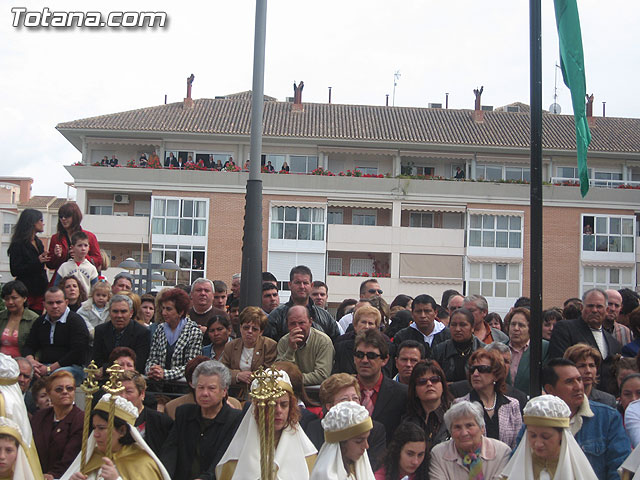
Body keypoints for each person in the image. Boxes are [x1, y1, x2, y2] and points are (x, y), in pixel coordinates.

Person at [216, 368, 317, 479]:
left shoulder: (307, 456)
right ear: (257, 409)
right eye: (271, 405)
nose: (278, 411)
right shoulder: (235, 459)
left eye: (284, 405)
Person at [541, 358, 630, 479]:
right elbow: (521, 462)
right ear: (550, 389)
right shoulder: (537, 420)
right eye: (569, 382)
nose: (578, 387)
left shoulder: (608, 418)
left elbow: (620, 468)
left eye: (579, 380)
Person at [161, 360, 242, 480]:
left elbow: (225, 459)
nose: (205, 393)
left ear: (224, 391)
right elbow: (170, 450)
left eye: (211, 388)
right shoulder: (184, 413)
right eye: (200, 387)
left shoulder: (235, 419)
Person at [61, 394, 170, 480]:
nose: (95, 434)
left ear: (122, 430)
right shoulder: (92, 457)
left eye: (101, 428)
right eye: (94, 428)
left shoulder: (143, 463)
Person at [501, 394, 598, 480]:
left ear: (561, 435)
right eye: (532, 435)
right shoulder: (515, 472)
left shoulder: (577, 472)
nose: (538, 443)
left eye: (546, 437)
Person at [305, 373, 387, 471]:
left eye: (355, 398)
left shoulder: (375, 429)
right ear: (330, 407)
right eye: (344, 399)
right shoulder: (314, 428)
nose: (352, 403)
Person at [549, 288, 622, 394]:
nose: (594, 310)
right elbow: (559, 363)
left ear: (606, 310)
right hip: (573, 394)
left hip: (604, 400)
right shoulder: (566, 329)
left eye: (599, 306)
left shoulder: (614, 343)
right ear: (582, 308)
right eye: (590, 306)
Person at [454, 349, 521, 449]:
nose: (475, 374)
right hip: (472, 462)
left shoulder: (512, 405)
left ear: (496, 375)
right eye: (472, 369)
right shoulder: (459, 405)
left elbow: (517, 445)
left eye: (482, 369)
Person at [429, 401, 511, 480]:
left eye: (469, 425)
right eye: (457, 427)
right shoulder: (438, 454)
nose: (464, 433)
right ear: (450, 431)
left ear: (482, 428)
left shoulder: (502, 452)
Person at [23, 287, 90, 384]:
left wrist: (50, 369)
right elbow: (29, 345)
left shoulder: (76, 321)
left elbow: (77, 352)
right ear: (44, 304)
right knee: (24, 375)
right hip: (43, 366)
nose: (54, 306)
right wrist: (31, 362)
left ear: (66, 303)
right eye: (50, 303)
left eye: (58, 302)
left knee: (57, 377)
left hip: (72, 368)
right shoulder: (40, 322)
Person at [354, 329, 407, 443]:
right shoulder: (342, 391)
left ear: (385, 360)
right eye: (359, 355)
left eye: (371, 356)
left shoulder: (402, 394)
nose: (364, 360)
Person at [145, 288, 203, 389]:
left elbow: (191, 366)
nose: (163, 313)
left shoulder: (193, 332)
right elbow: (152, 358)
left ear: (180, 312)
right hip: (158, 387)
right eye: (163, 308)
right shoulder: (160, 329)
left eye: (168, 309)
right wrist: (152, 369)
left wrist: (165, 374)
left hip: (182, 389)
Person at [30, 370, 83, 479]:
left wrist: (53, 475)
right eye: (59, 389)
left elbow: (71, 456)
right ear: (49, 394)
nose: (65, 392)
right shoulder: (39, 417)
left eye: (69, 388)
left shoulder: (80, 419)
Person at [267, 265, 340, 341]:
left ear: (311, 285)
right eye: (297, 282)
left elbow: (336, 343)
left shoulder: (325, 316)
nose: (302, 286)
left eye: (305, 283)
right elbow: (269, 347)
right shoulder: (276, 316)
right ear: (289, 285)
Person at [220, 306, 277, 400]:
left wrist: (251, 376)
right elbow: (222, 371)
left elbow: (269, 372)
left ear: (261, 332)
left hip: (261, 395)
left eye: (254, 329)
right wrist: (238, 376)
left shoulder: (269, 345)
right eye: (246, 328)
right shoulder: (230, 346)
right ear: (240, 328)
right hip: (233, 395)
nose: (249, 331)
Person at [310, 401, 375, 480]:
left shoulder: (360, 469)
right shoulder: (325, 476)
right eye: (359, 441)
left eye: (367, 439)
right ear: (341, 443)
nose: (366, 446)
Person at [276, 305, 335, 386]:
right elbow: (279, 373)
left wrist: (293, 380)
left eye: (301, 323)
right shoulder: (283, 342)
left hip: (315, 393)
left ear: (310, 322)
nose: (298, 328)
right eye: (293, 323)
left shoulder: (323, 341)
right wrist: (290, 350)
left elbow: (322, 375)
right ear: (287, 324)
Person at [403, 359, 452, 454]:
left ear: (443, 385)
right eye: (422, 381)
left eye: (434, 380)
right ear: (415, 390)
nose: (429, 384)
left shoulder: (456, 415)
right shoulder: (406, 421)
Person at [93, 294, 151, 374]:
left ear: (131, 313)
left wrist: (108, 368)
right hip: (106, 378)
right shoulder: (100, 330)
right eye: (115, 311)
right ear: (109, 312)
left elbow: (139, 364)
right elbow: (97, 361)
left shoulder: (142, 333)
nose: (119, 316)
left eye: (123, 311)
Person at [120, 371, 173, 457]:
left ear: (142, 394)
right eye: (119, 391)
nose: (123, 397)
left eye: (128, 392)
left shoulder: (161, 421)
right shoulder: (109, 418)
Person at [7, 209, 49, 313]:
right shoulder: (18, 244)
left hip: (40, 290)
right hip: (26, 291)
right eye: (40, 220)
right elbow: (15, 270)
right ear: (33, 222)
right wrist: (37, 261)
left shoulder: (38, 242)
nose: (43, 223)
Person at [46, 202, 102, 280]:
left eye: (67, 216)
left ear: (75, 217)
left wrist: (82, 255)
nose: (63, 219)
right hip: (62, 280)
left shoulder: (89, 237)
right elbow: (50, 265)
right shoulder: (56, 238)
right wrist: (57, 256)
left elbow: (98, 261)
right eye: (61, 216)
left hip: (83, 279)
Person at [333, 305, 391, 376]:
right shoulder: (341, 346)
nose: (366, 327)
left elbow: (386, 374)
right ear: (355, 325)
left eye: (370, 323)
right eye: (363, 322)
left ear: (377, 327)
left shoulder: (385, 344)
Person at [432, 308, 485, 383]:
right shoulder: (439, 350)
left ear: (472, 327)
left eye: (463, 325)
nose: (457, 329)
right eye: (453, 325)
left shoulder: (483, 350)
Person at [505, 307, 549, 396]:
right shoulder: (500, 348)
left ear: (530, 328)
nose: (516, 328)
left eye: (521, 325)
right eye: (513, 324)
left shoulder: (542, 348)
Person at [563, 343, 616, 407]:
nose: (588, 371)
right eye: (582, 366)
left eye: (591, 366)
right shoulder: (561, 399)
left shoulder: (608, 401)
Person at [0, 281, 39, 358]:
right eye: (7, 299)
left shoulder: (34, 319)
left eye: (14, 298)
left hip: (23, 363)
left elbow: (39, 347)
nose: (10, 302)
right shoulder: (1, 317)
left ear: (24, 298)